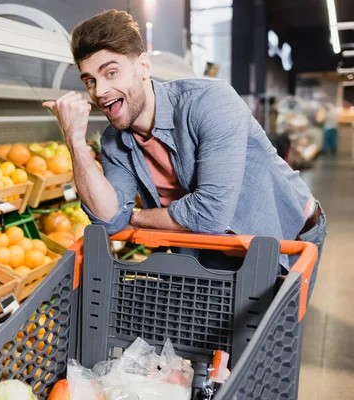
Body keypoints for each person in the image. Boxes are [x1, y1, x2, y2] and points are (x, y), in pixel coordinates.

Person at [43, 10, 326, 299]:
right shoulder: (115, 141)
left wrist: (138, 217)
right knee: (216, 341)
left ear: (143, 67)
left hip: (286, 236)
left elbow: (210, 214)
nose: (100, 91)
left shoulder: (210, 102)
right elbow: (111, 220)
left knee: (269, 339)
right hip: (211, 247)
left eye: (111, 72)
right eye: (90, 80)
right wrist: (75, 140)